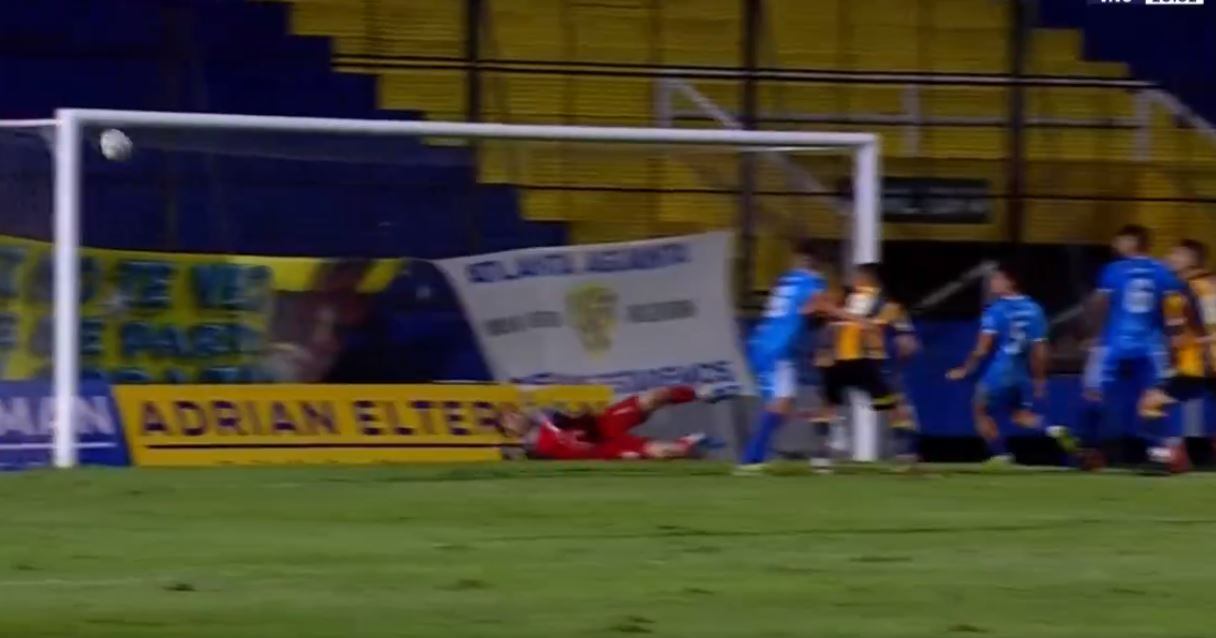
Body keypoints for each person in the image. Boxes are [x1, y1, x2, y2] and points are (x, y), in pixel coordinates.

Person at [1083, 225, 1184, 468]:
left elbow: (1099, 304)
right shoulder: (1163, 272)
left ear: (1132, 242)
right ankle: (1161, 452)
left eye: (1119, 240)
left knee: (1093, 393)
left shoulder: (1114, 270)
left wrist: (1093, 334)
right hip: (1151, 347)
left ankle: (1090, 451)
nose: (1115, 245)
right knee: (1153, 398)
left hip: (1114, 345)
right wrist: (1175, 338)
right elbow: (1174, 311)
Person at [810, 263, 919, 471]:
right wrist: (824, 348)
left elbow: (902, 331)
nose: (854, 280)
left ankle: (905, 452)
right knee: (828, 403)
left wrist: (904, 341)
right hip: (841, 360)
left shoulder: (885, 305)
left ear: (869, 278)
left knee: (892, 405)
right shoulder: (846, 299)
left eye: (858, 275)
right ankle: (822, 453)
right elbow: (829, 324)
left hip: (867, 360)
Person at [736, 239, 828, 473]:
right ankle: (751, 459)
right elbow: (814, 309)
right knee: (782, 403)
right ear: (816, 261)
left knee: (780, 405)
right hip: (778, 348)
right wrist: (851, 318)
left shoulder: (786, 280)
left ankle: (754, 457)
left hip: (761, 342)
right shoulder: (813, 281)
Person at [947, 262, 1049, 466]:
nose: (993, 283)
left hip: (1000, 372)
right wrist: (1039, 380)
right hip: (1021, 375)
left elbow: (981, 349)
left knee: (979, 409)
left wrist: (965, 369)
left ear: (1011, 282)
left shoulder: (996, 310)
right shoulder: (1035, 309)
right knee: (1021, 416)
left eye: (997, 278)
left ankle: (1000, 454)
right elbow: (1039, 351)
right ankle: (1054, 429)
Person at [1135, 239, 1215, 472]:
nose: (1169, 258)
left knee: (1150, 404)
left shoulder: (1192, 291)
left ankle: (1167, 456)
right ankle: (1173, 455)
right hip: (1199, 364)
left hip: (1198, 365)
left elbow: (1191, 334)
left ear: (1191, 259)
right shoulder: (1191, 288)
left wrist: (1192, 345)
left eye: (1176, 254)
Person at [499, 385, 720, 461]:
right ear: (510, 433)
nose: (515, 417)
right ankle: (691, 445)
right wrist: (512, 452)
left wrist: (577, 412)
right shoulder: (532, 448)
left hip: (603, 423)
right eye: (509, 420)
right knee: (665, 451)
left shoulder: (544, 414)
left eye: (513, 413)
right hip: (604, 448)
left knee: (654, 397)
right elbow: (523, 454)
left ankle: (699, 394)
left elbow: (569, 415)